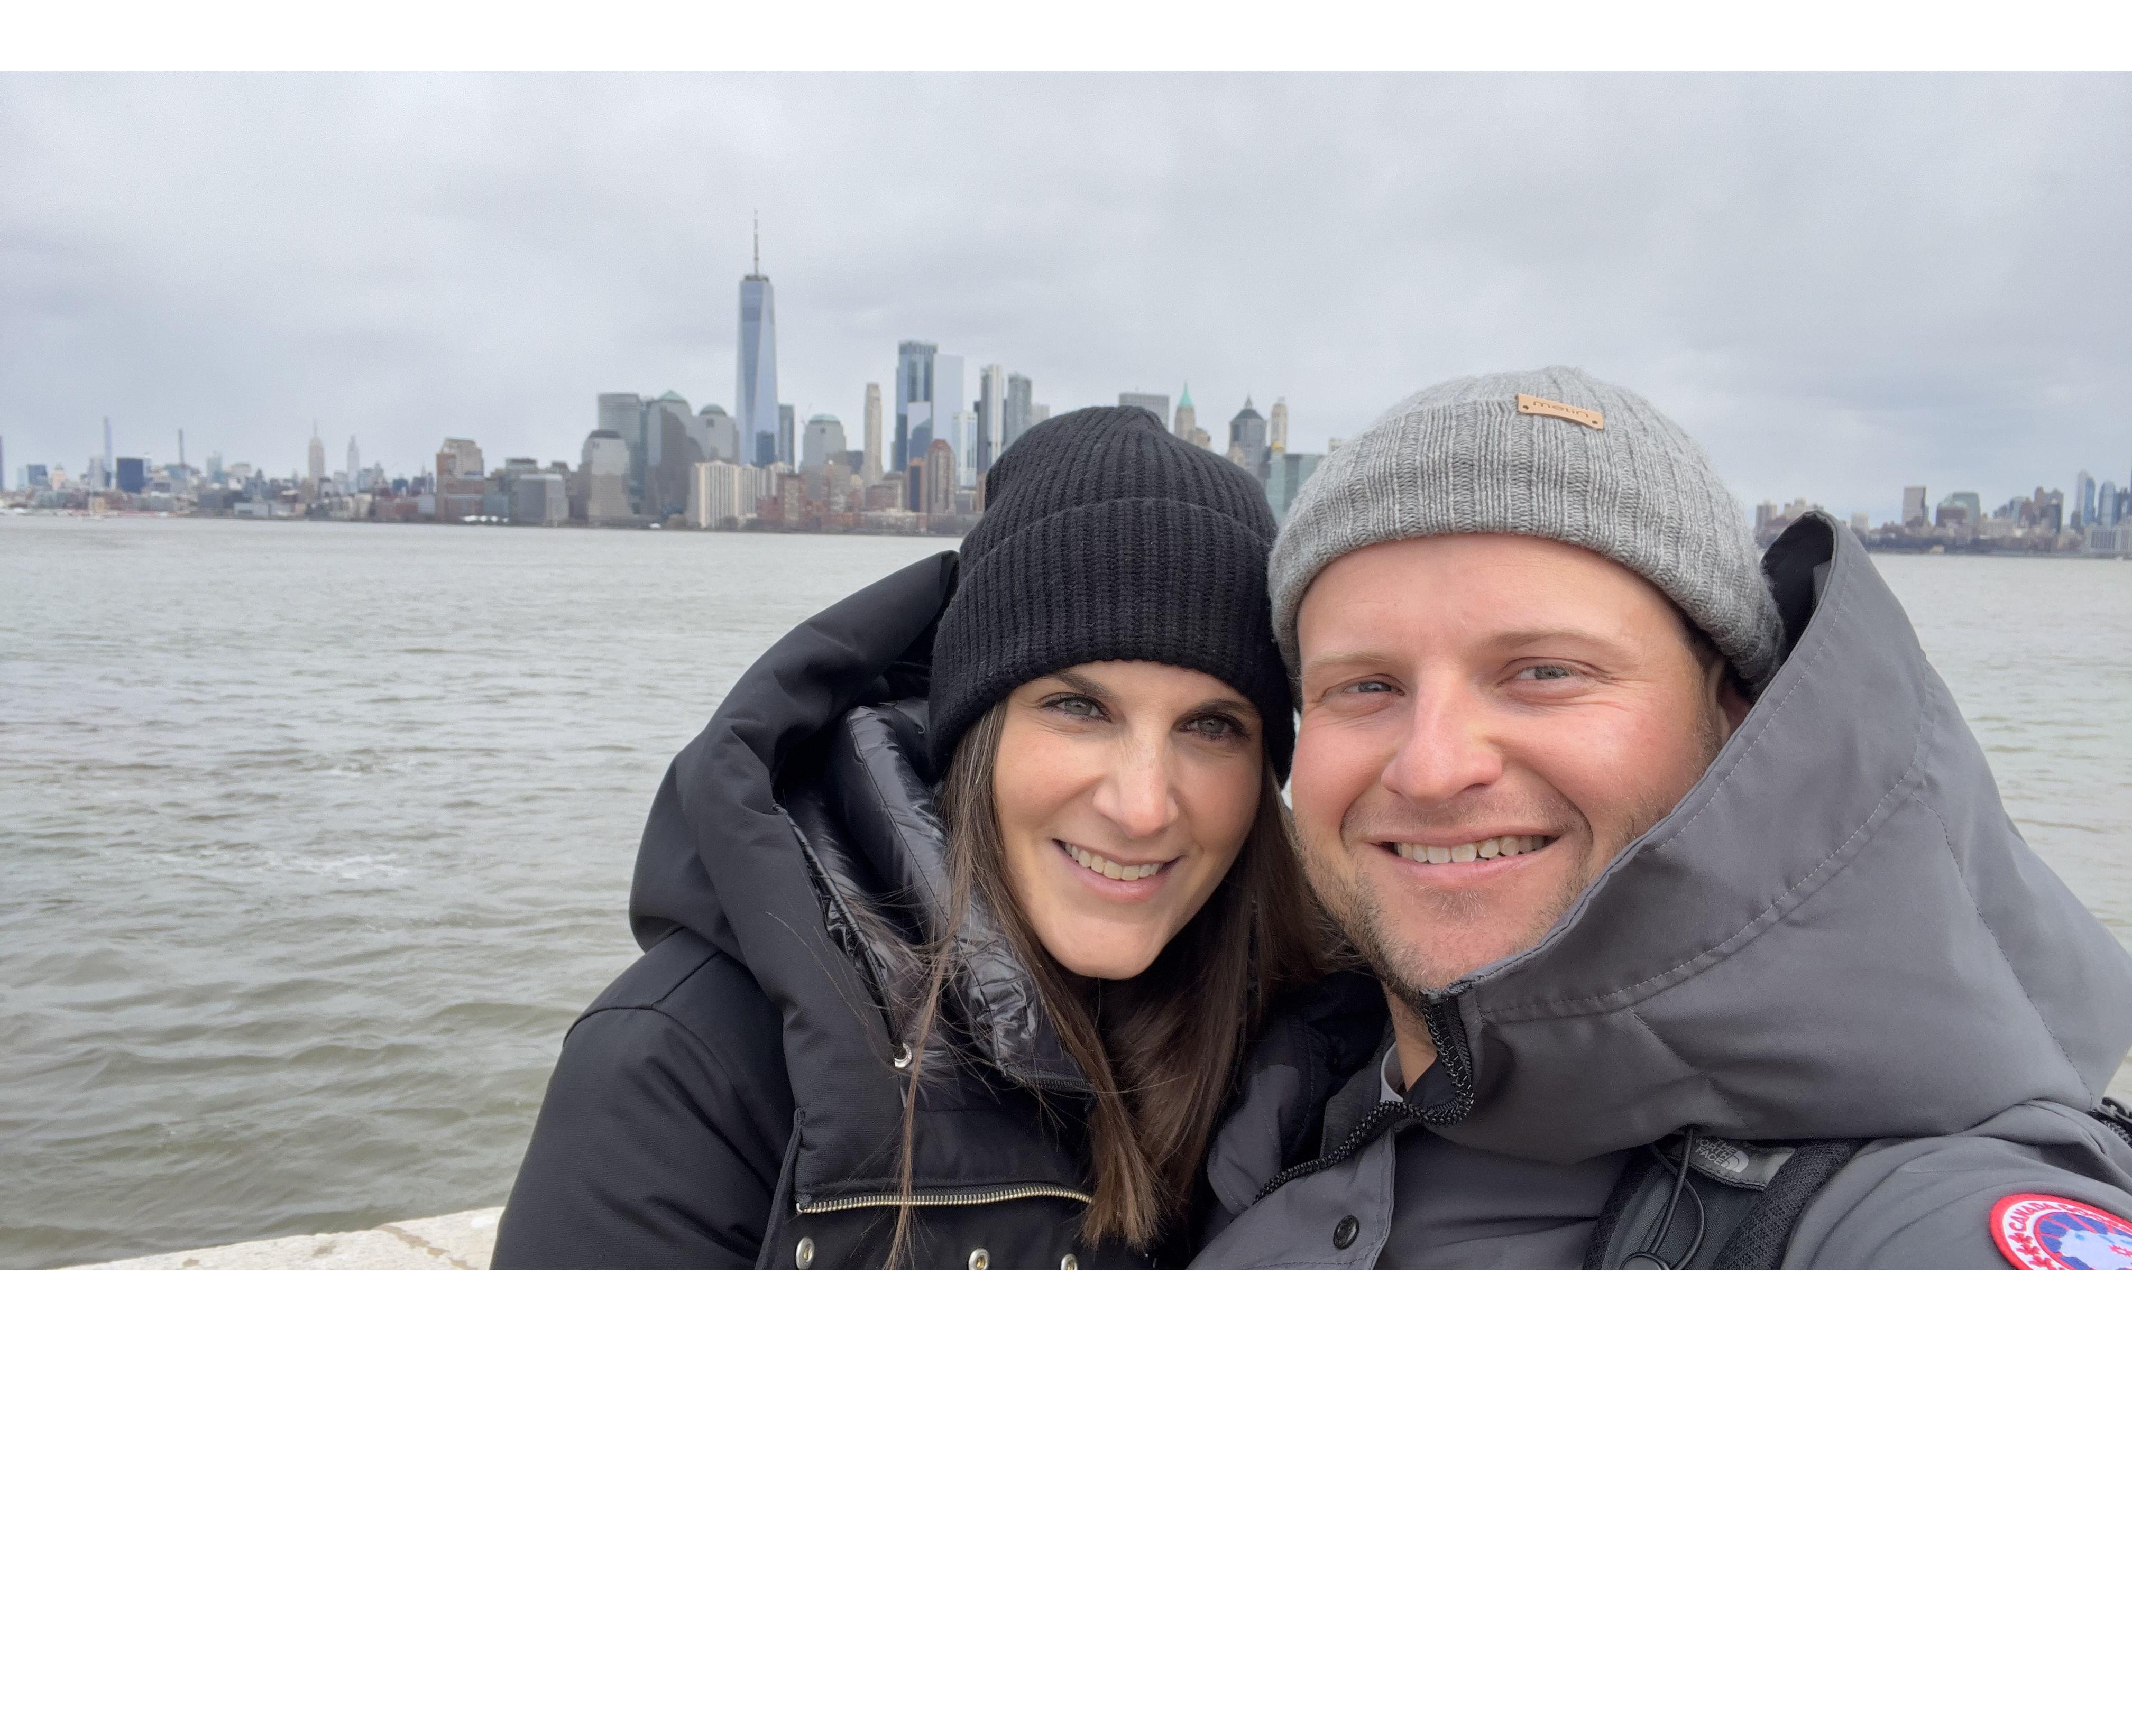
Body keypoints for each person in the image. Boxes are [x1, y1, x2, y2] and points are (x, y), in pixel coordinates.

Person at [1193, 368, 2132, 1269]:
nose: (1433, 767)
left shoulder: (1898, 1208)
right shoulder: (1260, 1081)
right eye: (1365, 687)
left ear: (1733, 716)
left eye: (1546, 672)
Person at [493, 405, 1322, 1269]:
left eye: (1213, 727)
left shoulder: (1327, 1029)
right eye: (1079, 708)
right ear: (971, 732)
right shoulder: (685, 1069)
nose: (1145, 806)